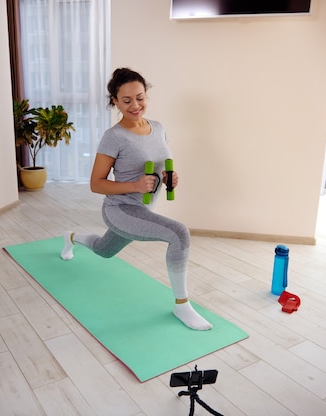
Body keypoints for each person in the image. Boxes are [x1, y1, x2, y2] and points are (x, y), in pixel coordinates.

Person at [61, 67, 212, 331]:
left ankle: (70, 237)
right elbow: (96, 184)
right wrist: (135, 184)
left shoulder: (159, 128)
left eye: (140, 97)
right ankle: (182, 306)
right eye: (127, 100)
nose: (135, 105)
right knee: (179, 233)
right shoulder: (114, 137)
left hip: (141, 210)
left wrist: (170, 178)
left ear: (146, 95)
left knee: (104, 250)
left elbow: (156, 166)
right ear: (115, 102)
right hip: (120, 209)